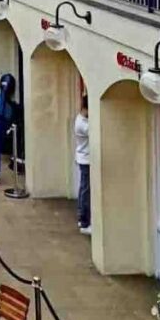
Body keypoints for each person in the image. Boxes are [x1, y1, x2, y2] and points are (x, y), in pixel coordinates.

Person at [74, 96, 91, 235]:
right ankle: (84, 221)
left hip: (83, 158)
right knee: (85, 191)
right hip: (86, 159)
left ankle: (82, 217)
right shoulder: (83, 125)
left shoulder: (81, 119)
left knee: (83, 189)